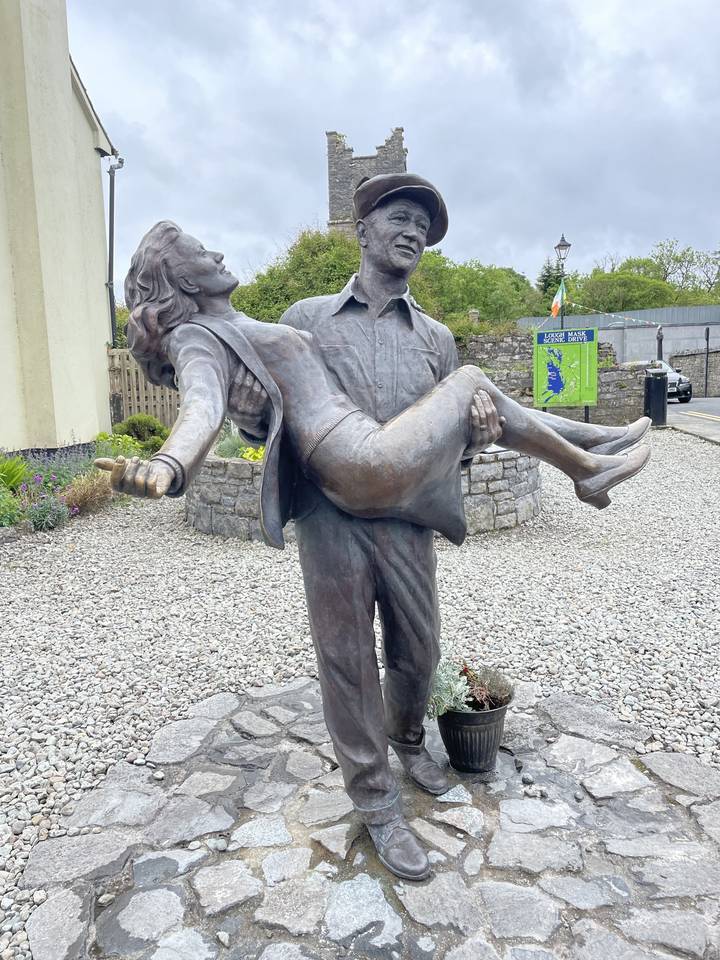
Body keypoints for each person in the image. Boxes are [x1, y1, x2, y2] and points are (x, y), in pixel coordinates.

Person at [100, 185, 650, 880]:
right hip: (334, 515)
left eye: (424, 225)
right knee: (349, 665)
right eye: (401, 218)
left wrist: (477, 438)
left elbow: (465, 433)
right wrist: (173, 463)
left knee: (419, 652)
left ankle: (410, 738)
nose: (413, 232)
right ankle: (378, 803)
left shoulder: (436, 339)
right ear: (362, 230)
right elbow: (231, 406)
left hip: (405, 512)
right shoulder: (303, 317)